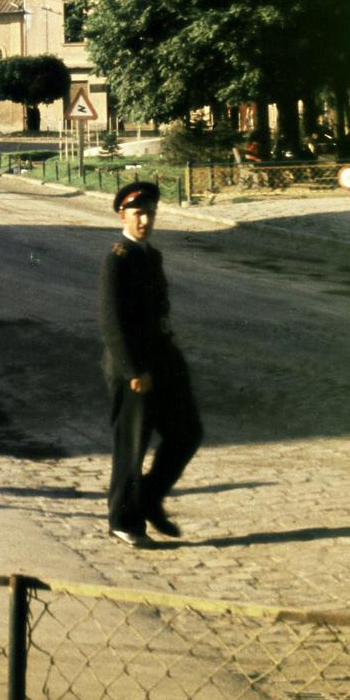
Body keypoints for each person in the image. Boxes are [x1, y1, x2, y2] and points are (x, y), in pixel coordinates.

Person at [100, 182, 203, 547]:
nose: (145, 220)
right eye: (138, 213)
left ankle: (150, 498)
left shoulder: (151, 256)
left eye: (150, 213)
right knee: (132, 443)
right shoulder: (118, 259)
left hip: (163, 358)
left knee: (188, 432)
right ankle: (124, 520)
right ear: (123, 215)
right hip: (135, 366)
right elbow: (112, 322)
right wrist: (131, 371)